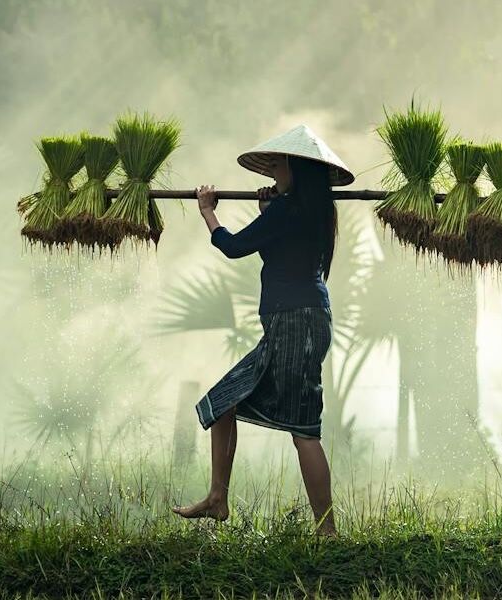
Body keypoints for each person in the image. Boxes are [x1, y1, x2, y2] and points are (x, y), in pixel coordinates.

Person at [172, 125, 355, 538]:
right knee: (224, 403)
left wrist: (207, 211)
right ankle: (218, 498)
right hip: (300, 321)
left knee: (303, 430)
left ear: (295, 168)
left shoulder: (288, 210)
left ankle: (327, 531)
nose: (272, 172)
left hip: (294, 323)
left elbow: (234, 246)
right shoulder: (311, 211)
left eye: (277, 165)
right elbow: (278, 253)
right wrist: (266, 213)